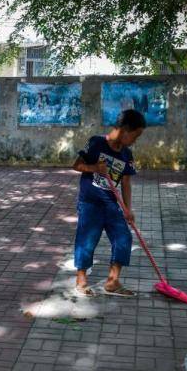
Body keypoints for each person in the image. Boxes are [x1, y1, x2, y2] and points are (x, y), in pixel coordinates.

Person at [71, 109, 146, 297]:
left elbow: (127, 182)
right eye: (135, 136)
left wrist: (127, 208)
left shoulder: (127, 154)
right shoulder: (96, 143)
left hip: (111, 204)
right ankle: (81, 280)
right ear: (125, 130)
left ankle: (112, 281)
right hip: (90, 203)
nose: (135, 141)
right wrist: (94, 167)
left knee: (124, 238)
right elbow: (76, 165)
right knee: (87, 240)